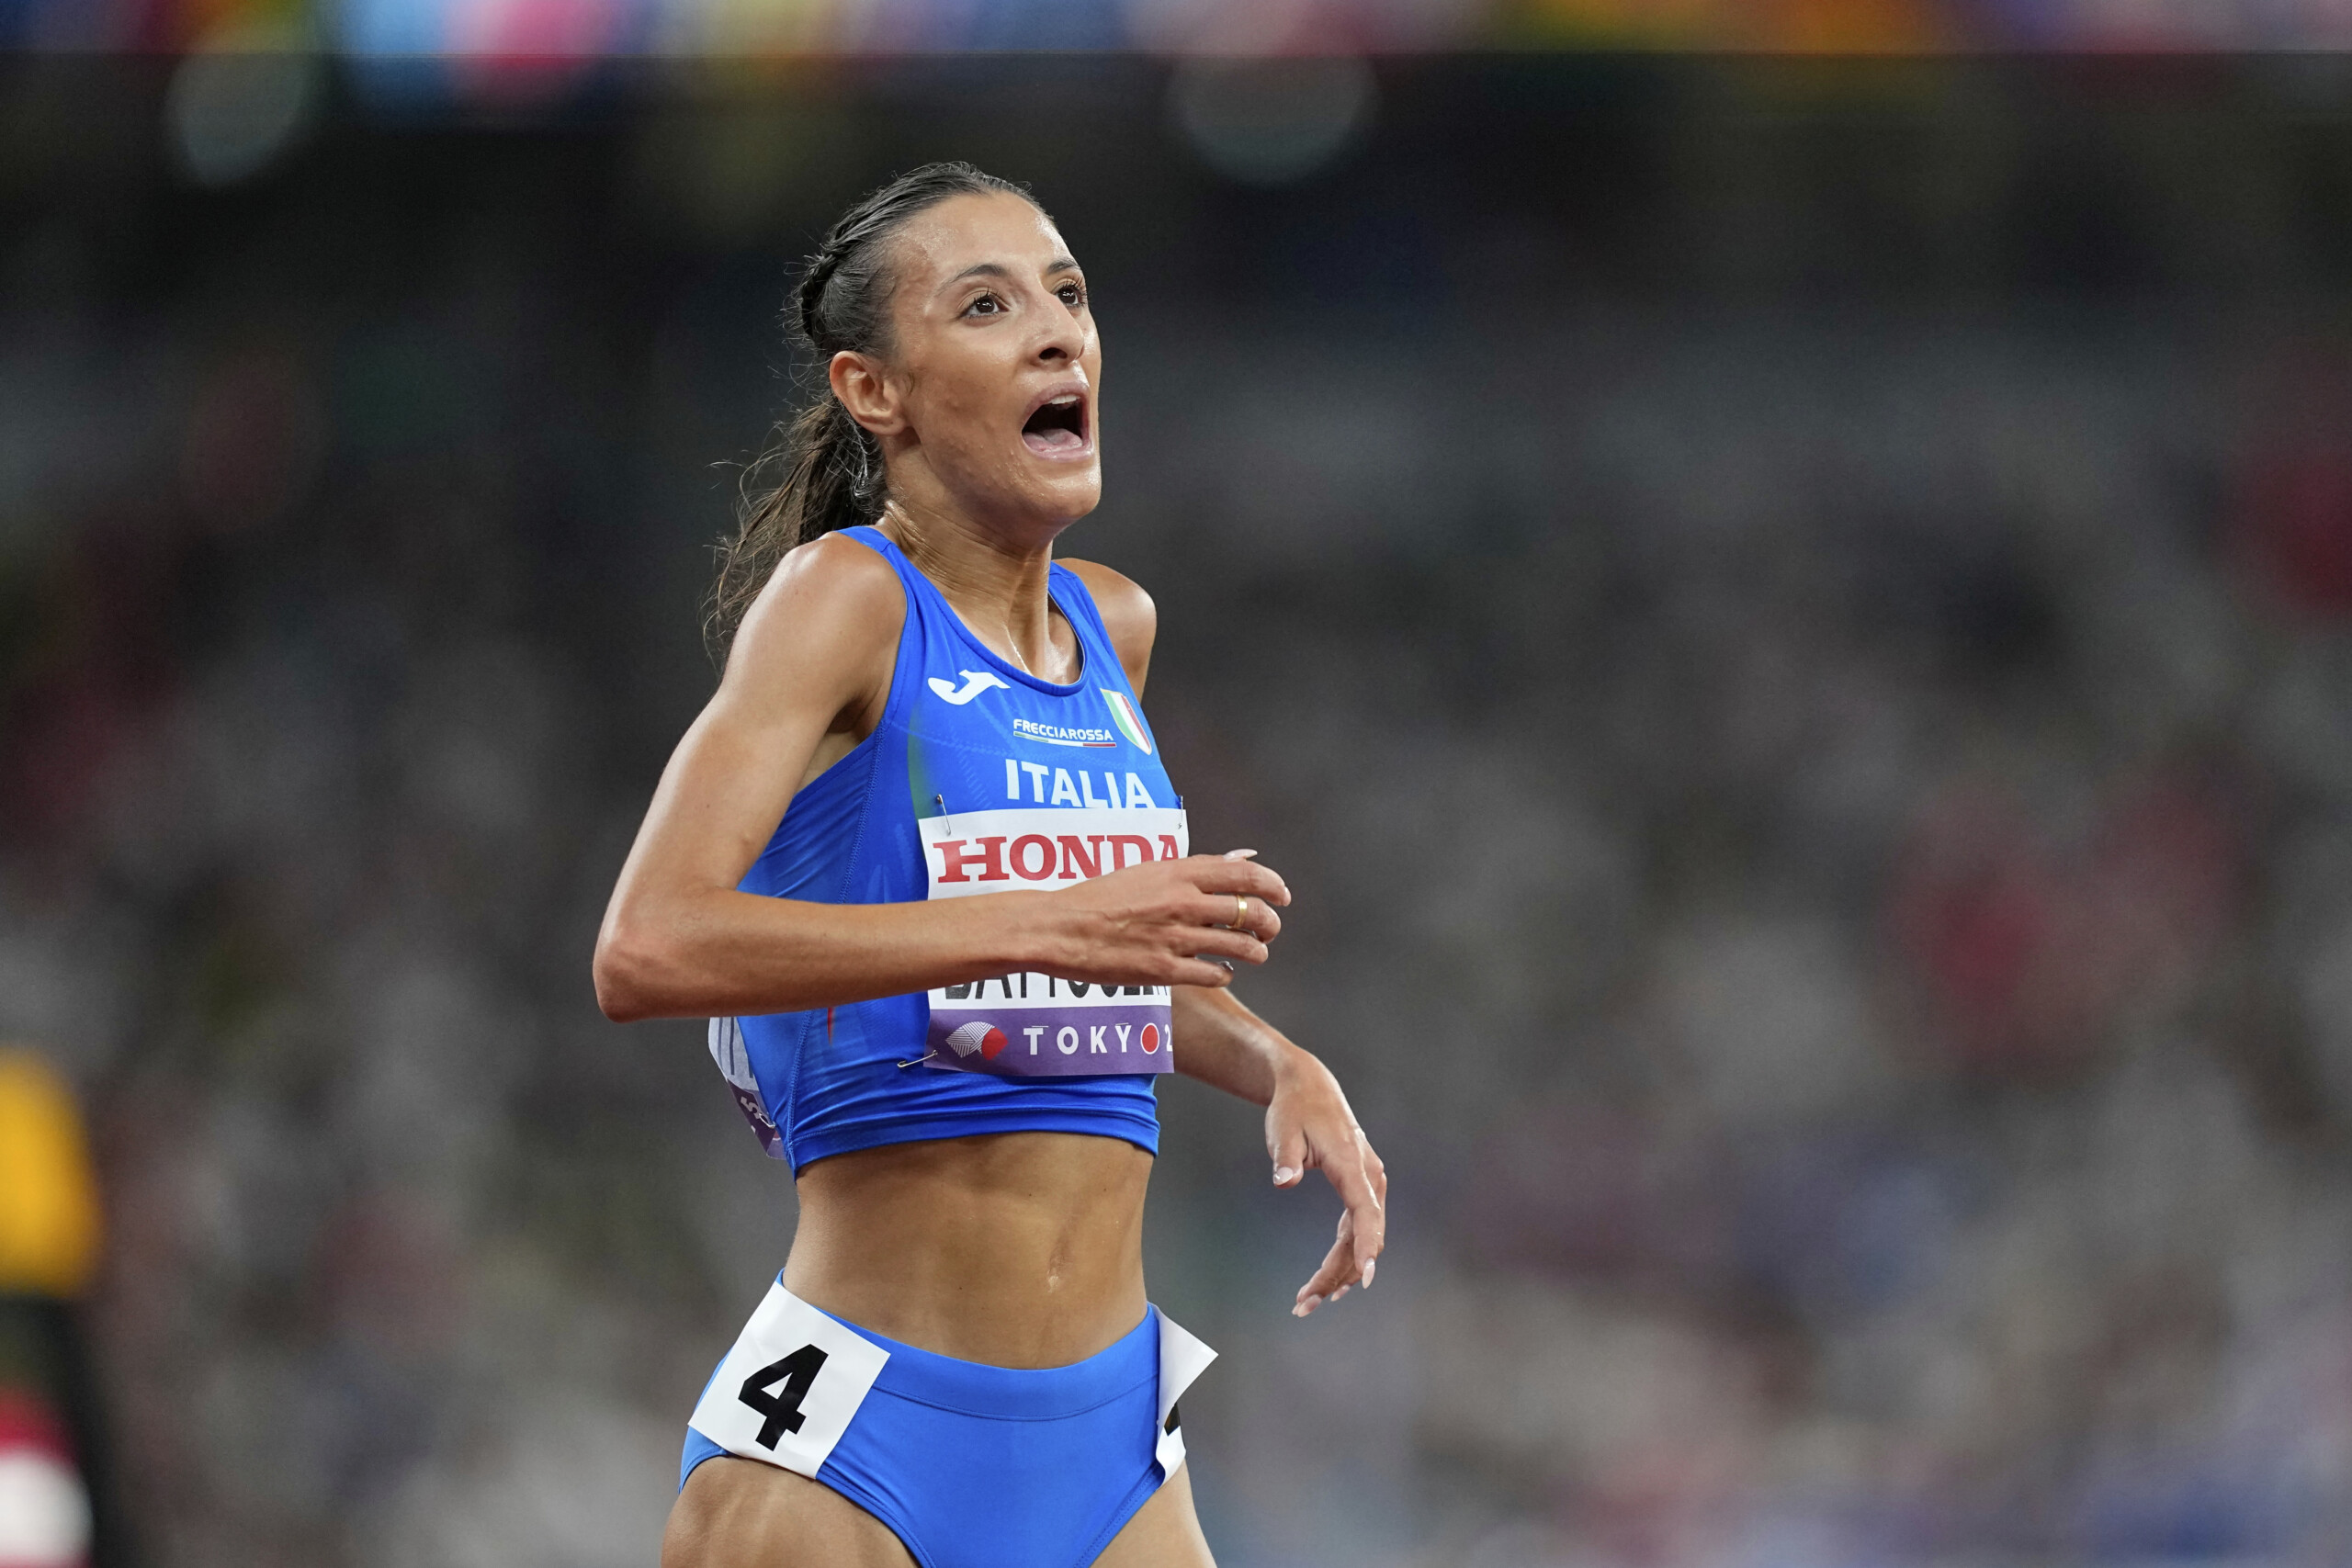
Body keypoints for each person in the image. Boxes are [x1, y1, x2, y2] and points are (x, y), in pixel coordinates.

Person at [594, 163, 1387, 1568]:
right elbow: (648, 947)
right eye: (986, 303)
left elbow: (1101, 964)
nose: (1056, 332)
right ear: (873, 390)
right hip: (857, 1445)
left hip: (1110, 1444)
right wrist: (1044, 919)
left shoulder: (1115, 627)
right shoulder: (845, 603)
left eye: (1069, 296)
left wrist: (1276, 1060)